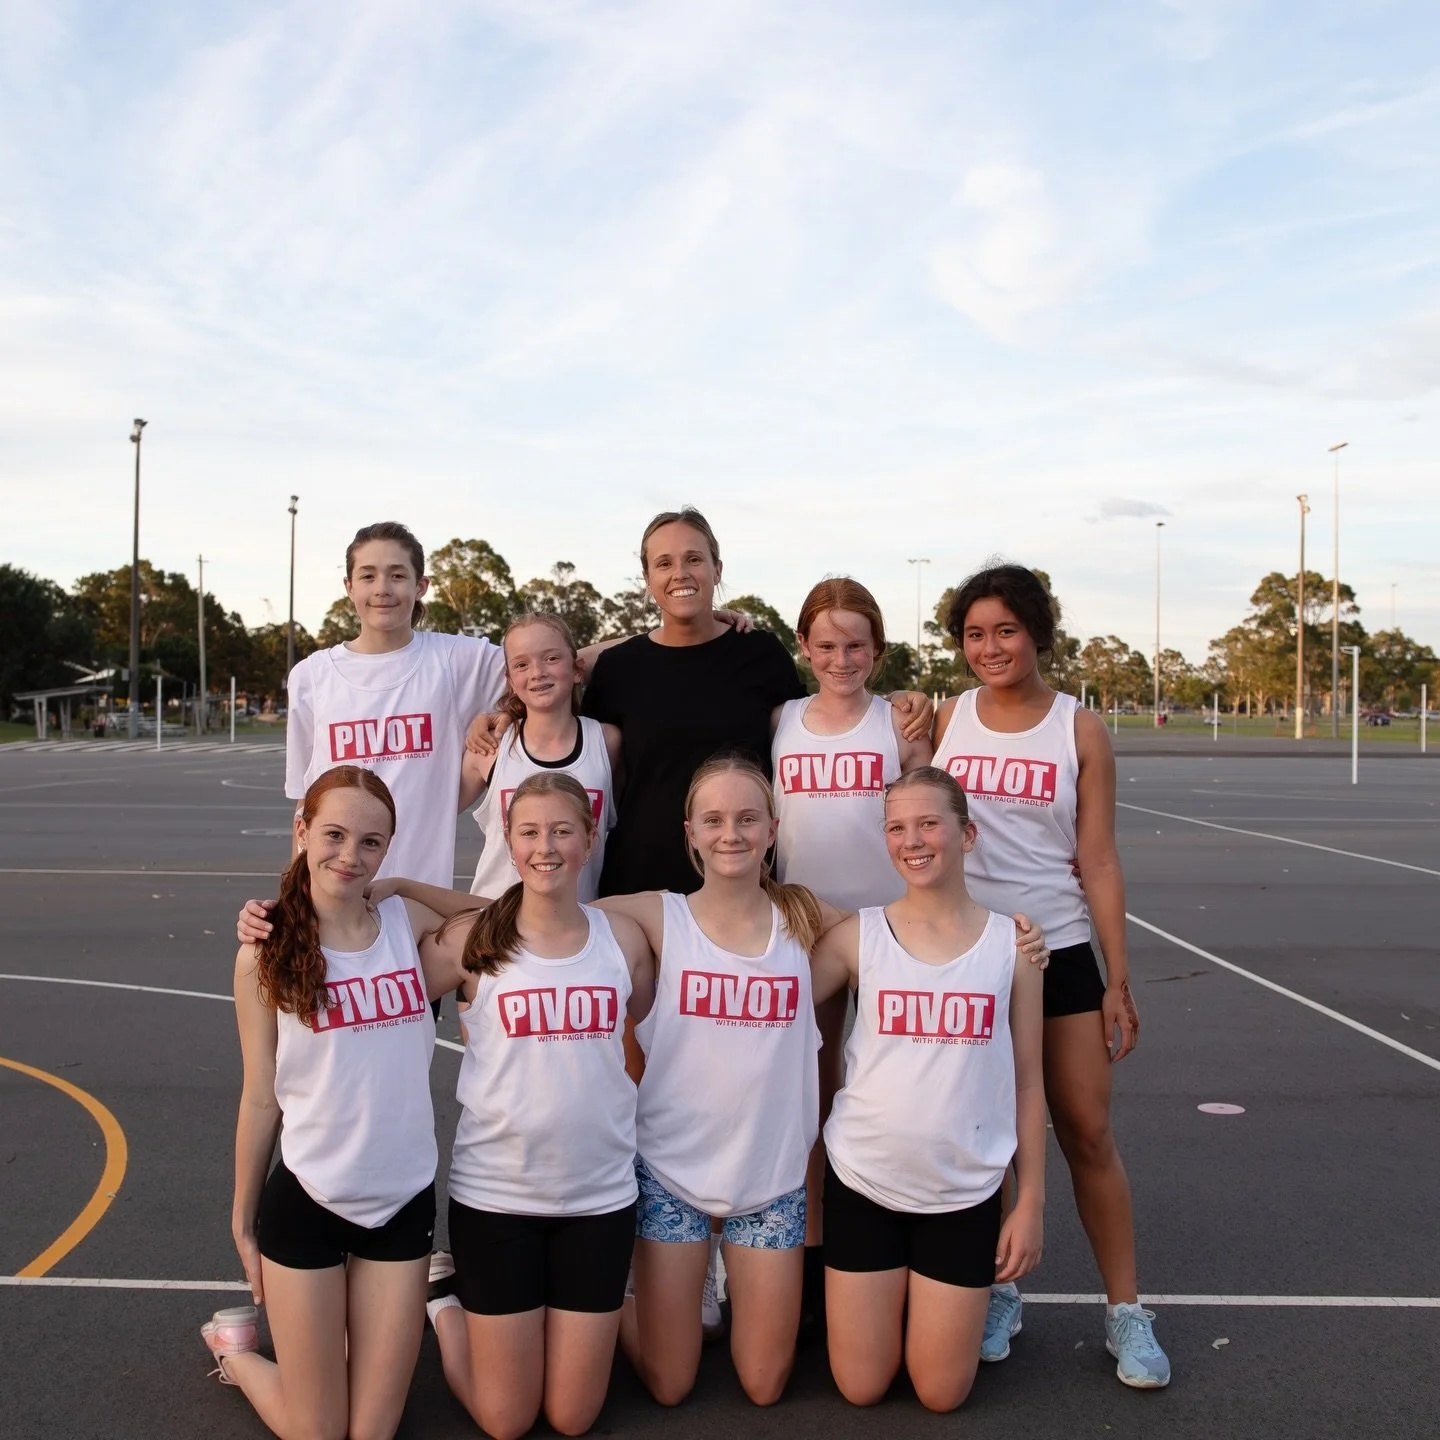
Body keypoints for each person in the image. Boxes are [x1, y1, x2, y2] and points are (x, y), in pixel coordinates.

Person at [932, 562, 1170, 1388]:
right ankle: (1002, 1291)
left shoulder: (1078, 729)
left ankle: (1125, 1311)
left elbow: (1096, 857)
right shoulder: (943, 717)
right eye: (973, 633)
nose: (990, 647)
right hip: (966, 954)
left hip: (1059, 950)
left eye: (1005, 629)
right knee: (987, 1141)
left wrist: (1117, 977)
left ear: (1036, 631)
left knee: (1086, 1130)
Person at [371, 774, 656, 1440]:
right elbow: (371, 978)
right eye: (528, 832)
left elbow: (639, 1028)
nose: (545, 847)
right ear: (509, 839)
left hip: (598, 1201)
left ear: (589, 839)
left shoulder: (625, 940)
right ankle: (444, 1306)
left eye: (562, 831)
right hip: (497, 1199)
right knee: (506, 1420)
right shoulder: (473, 942)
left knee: (573, 1415)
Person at [200, 765, 462, 1440]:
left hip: (399, 1203)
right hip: (309, 1200)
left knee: (370, 1434)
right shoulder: (263, 953)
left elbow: (508, 917)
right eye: (335, 834)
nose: (351, 855)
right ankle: (237, 1356)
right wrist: (242, 1219)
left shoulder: (407, 926)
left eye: (372, 843)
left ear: (386, 852)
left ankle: (325, 1354)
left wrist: (401, 886)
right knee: (316, 1432)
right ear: (301, 832)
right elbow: (261, 1097)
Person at [809, 767, 1046, 1411]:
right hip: (865, 1181)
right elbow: (775, 998)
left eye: (929, 823)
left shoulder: (1014, 946)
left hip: (964, 1191)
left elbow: (1028, 1081)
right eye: (896, 827)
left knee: (941, 1394)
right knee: (861, 1388)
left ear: (967, 834)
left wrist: (1029, 1203)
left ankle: (979, 1300)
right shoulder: (858, 936)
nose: (913, 840)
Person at [594, 755, 825, 1408]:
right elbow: (534, 908)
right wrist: (396, 891)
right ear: (689, 831)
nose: (732, 834)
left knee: (763, 1383)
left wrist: (1013, 934)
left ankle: (710, 1283)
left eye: (748, 818)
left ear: (773, 829)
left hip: (771, 1180)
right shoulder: (658, 917)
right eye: (715, 820)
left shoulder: (805, 921)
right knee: (670, 1385)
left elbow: (910, 929)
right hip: (672, 1177)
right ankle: (589, 1302)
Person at [771, 577, 933, 1331]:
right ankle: (809, 1250)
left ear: (878, 650)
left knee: (879, 1096)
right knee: (807, 1095)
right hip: (804, 932)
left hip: (887, 936)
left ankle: (881, 1245)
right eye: (826, 644)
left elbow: (929, 816)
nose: (841, 658)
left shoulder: (895, 723)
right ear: (803, 647)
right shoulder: (779, 721)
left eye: (856, 645)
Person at [283, 521, 507, 891]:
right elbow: (305, 808)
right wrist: (295, 904)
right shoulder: (311, 676)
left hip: (419, 903)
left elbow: (549, 665)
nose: (382, 589)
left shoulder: (457, 660)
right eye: (368, 576)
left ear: (421, 586)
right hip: (334, 904)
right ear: (349, 586)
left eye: (397, 575)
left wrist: (497, 715)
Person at [462, 613, 620, 904]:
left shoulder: (607, 742)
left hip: (576, 927)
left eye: (551, 659)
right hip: (494, 925)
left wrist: (697, 621)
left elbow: (643, 647)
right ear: (510, 680)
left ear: (577, 670)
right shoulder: (490, 746)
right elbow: (429, 815)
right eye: (522, 664)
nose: (537, 672)